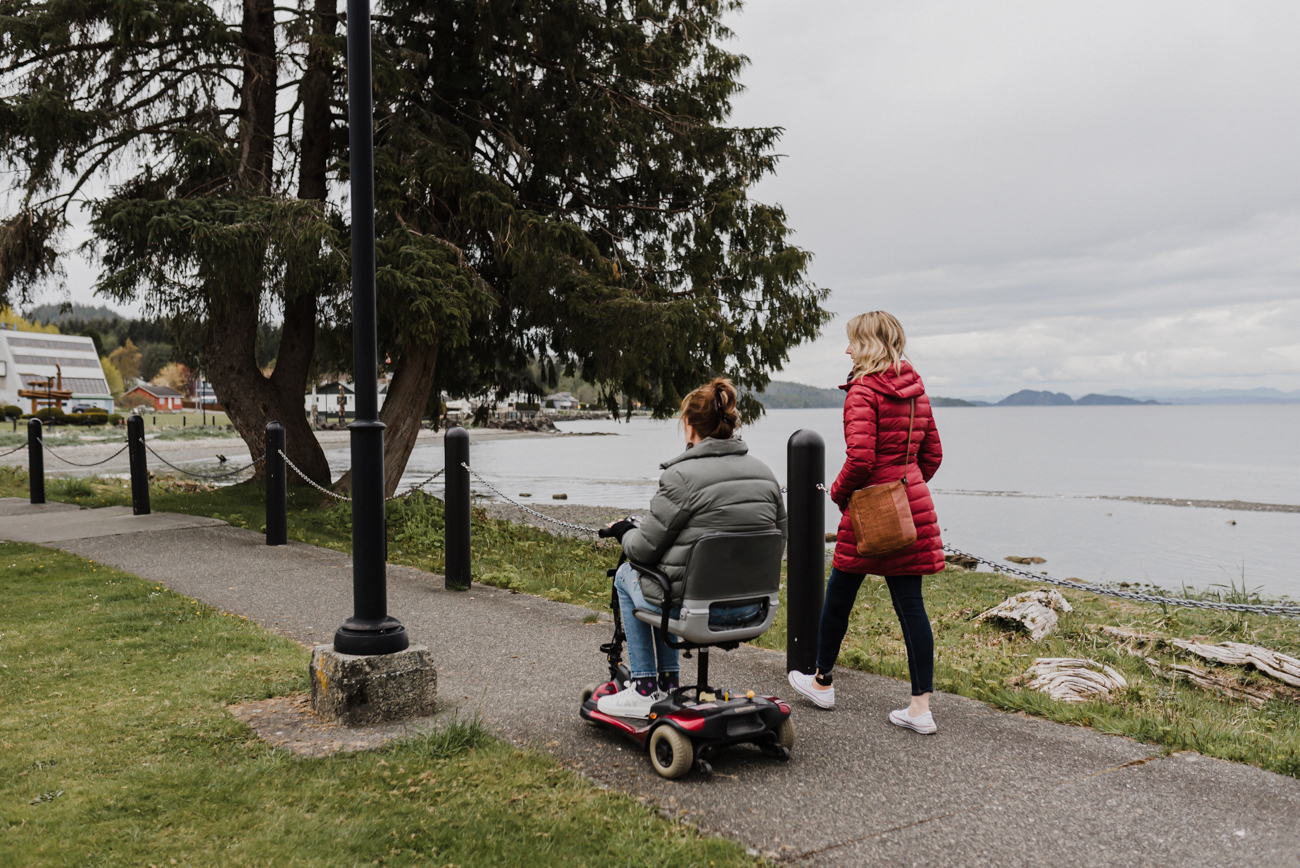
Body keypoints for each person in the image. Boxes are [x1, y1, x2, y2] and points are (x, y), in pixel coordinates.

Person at [787, 311, 945, 734]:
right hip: (910, 507)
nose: (847, 349)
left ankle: (822, 682)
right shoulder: (916, 388)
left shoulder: (862, 390)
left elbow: (861, 459)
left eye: (852, 341)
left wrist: (840, 495)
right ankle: (920, 708)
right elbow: (932, 456)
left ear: (869, 345)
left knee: (839, 594)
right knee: (912, 606)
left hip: (870, 509)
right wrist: (905, 486)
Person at [596, 378, 787, 719]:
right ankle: (668, 683)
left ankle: (643, 688)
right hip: (752, 609)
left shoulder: (681, 477)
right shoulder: (766, 475)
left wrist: (623, 529)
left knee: (629, 573)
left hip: (697, 611)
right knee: (658, 580)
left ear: (689, 427)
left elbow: (642, 550)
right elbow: (779, 540)